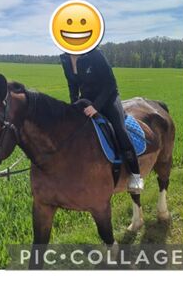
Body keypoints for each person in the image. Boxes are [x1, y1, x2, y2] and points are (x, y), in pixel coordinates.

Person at [60, 49, 144, 193]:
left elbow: (110, 84)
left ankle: (136, 176)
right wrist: (74, 104)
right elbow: (72, 85)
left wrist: (96, 106)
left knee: (120, 131)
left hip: (109, 98)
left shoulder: (94, 54)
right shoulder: (64, 58)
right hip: (86, 99)